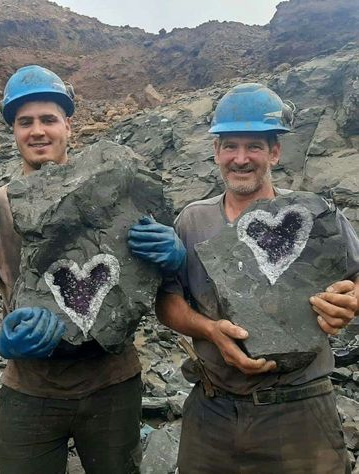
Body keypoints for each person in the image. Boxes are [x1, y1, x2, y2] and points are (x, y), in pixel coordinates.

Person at [128, 83, 359, 473]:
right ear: (215, 152)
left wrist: (350, 302)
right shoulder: (192, 220)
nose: (241, 158)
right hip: (213, 406)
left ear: (275, 151)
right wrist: (209, 329)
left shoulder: (314, 215)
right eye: (230, 146)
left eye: (254, 146)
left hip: (301, 407)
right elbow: (168, 303)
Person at [0, 65, 142, 474]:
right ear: (14, 131)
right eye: (25, 122)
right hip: (30, 388)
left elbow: (148, 285)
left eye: (48, 119)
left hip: (114, 384)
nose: (37, 131)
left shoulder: (114, 195)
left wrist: (171, 257)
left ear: (68, 125)